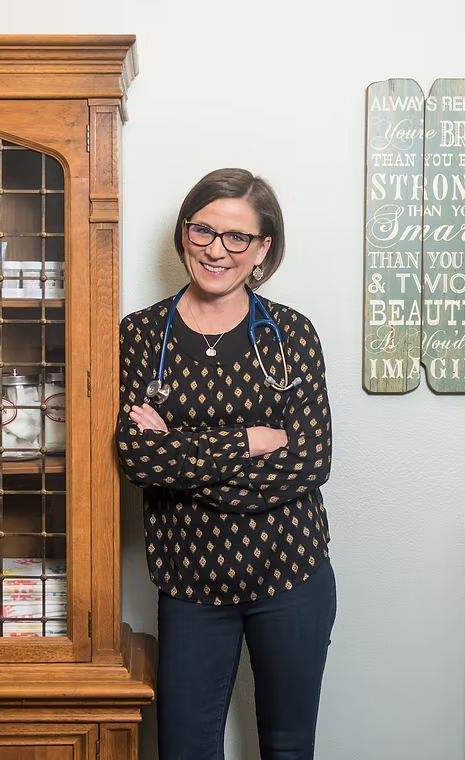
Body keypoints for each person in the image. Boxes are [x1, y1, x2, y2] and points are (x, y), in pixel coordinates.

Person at [116, 168, 336, 759]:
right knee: (185, 749)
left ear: (263, 249)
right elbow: (139, 459)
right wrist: (247, 442)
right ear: (185, 233)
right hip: (190, 584)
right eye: (204, 230)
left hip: (290, 575)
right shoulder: (139, 337)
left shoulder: (290, 335)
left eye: (237, 237)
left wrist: (182, 462)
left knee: (288, 748)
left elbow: (310, 461)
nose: (217, 250)